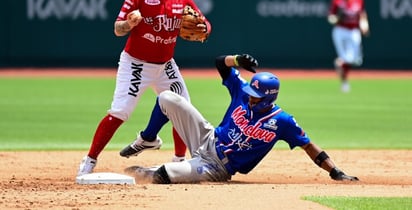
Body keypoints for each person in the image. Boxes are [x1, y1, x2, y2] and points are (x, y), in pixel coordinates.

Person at [122, 54, 359, 184]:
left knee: (165, 174)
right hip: (207, 137)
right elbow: (219, 63)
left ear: (268, 98)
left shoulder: (282, 121)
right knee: (167, 97)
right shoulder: (242, 92)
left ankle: (148, 172)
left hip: (217, 167)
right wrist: (236, 60)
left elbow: (308, 145)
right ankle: (148, 138)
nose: (250, 97)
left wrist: (335, 172)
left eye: (256, 96)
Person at [77, 0, 212, 176]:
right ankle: (89, 160)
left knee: (183, 109)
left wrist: (204, 29)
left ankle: (179, 159)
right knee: (120, 111)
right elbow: (117, 29)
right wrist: (128, 24)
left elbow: (205, 24)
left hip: (166, 65)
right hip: (136, 63)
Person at [327, 0, 370, 92]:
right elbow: (331, 17)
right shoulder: (337, 1)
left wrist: (365, 26)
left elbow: (362, 15)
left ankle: (340, 63)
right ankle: (344, 82)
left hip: (353, 31)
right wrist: (336, 18)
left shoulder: (358, 0)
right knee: (345, 58)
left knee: (355, 59)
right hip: (340, 30)